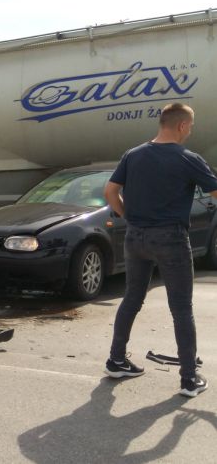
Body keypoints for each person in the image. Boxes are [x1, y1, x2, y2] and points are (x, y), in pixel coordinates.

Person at [103, 102, 217, 398]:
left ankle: (116, 360)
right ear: (181, 125)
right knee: (181, 309)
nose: (189, 132)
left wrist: (129, 217)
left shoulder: (133, 154)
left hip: (135, 238)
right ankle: (189, 380)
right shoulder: (188, 158)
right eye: (190, 127)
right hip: (171, 240)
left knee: (132, 298)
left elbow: (110, 192)